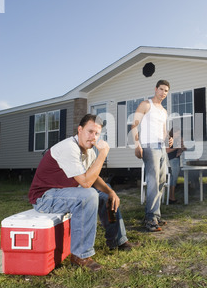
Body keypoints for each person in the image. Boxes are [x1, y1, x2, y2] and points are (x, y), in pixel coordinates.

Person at [28, 114, 134, 272]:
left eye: (97, 134)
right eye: (90, 131)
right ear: (80, 130)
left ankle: (117, 240)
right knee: (89, 194)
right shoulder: (69, 148)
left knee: (106, 196)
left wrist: (111, 192)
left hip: (64, 193)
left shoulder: (89, 150)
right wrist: (103, 154)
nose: (93, 137)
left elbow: (93, 176)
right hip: (44, 197)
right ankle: (80, 255)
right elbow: (85, 182)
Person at [131, 80, 172, 232]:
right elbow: (134, 125)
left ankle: (156, 215)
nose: (163, 92)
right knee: (153, 182)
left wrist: (169, 138)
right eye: (161, 89)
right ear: (155, 89)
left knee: (161, 181)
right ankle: (150, 219)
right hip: (149, 147)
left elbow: (163, 131)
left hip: (161, 147)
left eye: (166, 91)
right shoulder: (146, 104)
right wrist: (137, 145)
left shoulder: (164, 110)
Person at [166, 127, 187, 203]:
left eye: (178, 132)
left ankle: (171, 196)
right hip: (172, 160)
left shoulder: (178, 140)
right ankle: (171, 198)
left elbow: (181, 148)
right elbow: (167, 150)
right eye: (176, 132)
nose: (178, 134)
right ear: (173, 133)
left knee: (174, 177)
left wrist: (182, 149)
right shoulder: (170, 139)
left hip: (177, 159)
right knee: (174, 178)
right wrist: (176, 148)